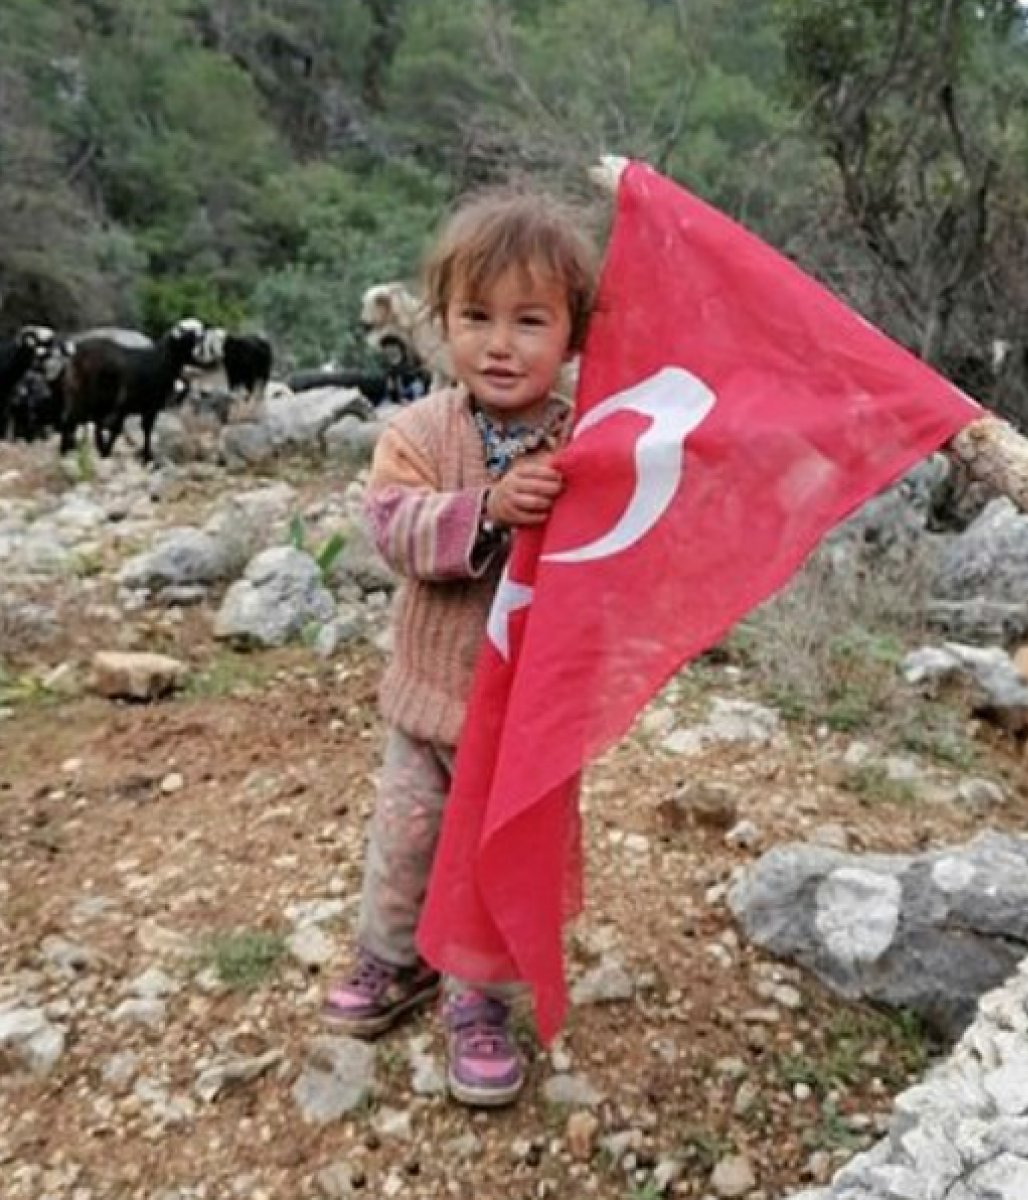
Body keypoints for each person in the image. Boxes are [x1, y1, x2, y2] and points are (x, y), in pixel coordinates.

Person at [322, 188, 600, 1107]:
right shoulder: (417, 432)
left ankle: (476, 1000)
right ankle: (394, 962)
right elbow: (393, 528)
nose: (500, 343)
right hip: (428, 699)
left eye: (530, 321)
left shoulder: (588, 439)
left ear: (572, 334)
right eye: (475, 317)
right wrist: (485, 510)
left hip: (526, 719)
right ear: (440, 324)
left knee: (494, 863)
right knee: (404, 844)